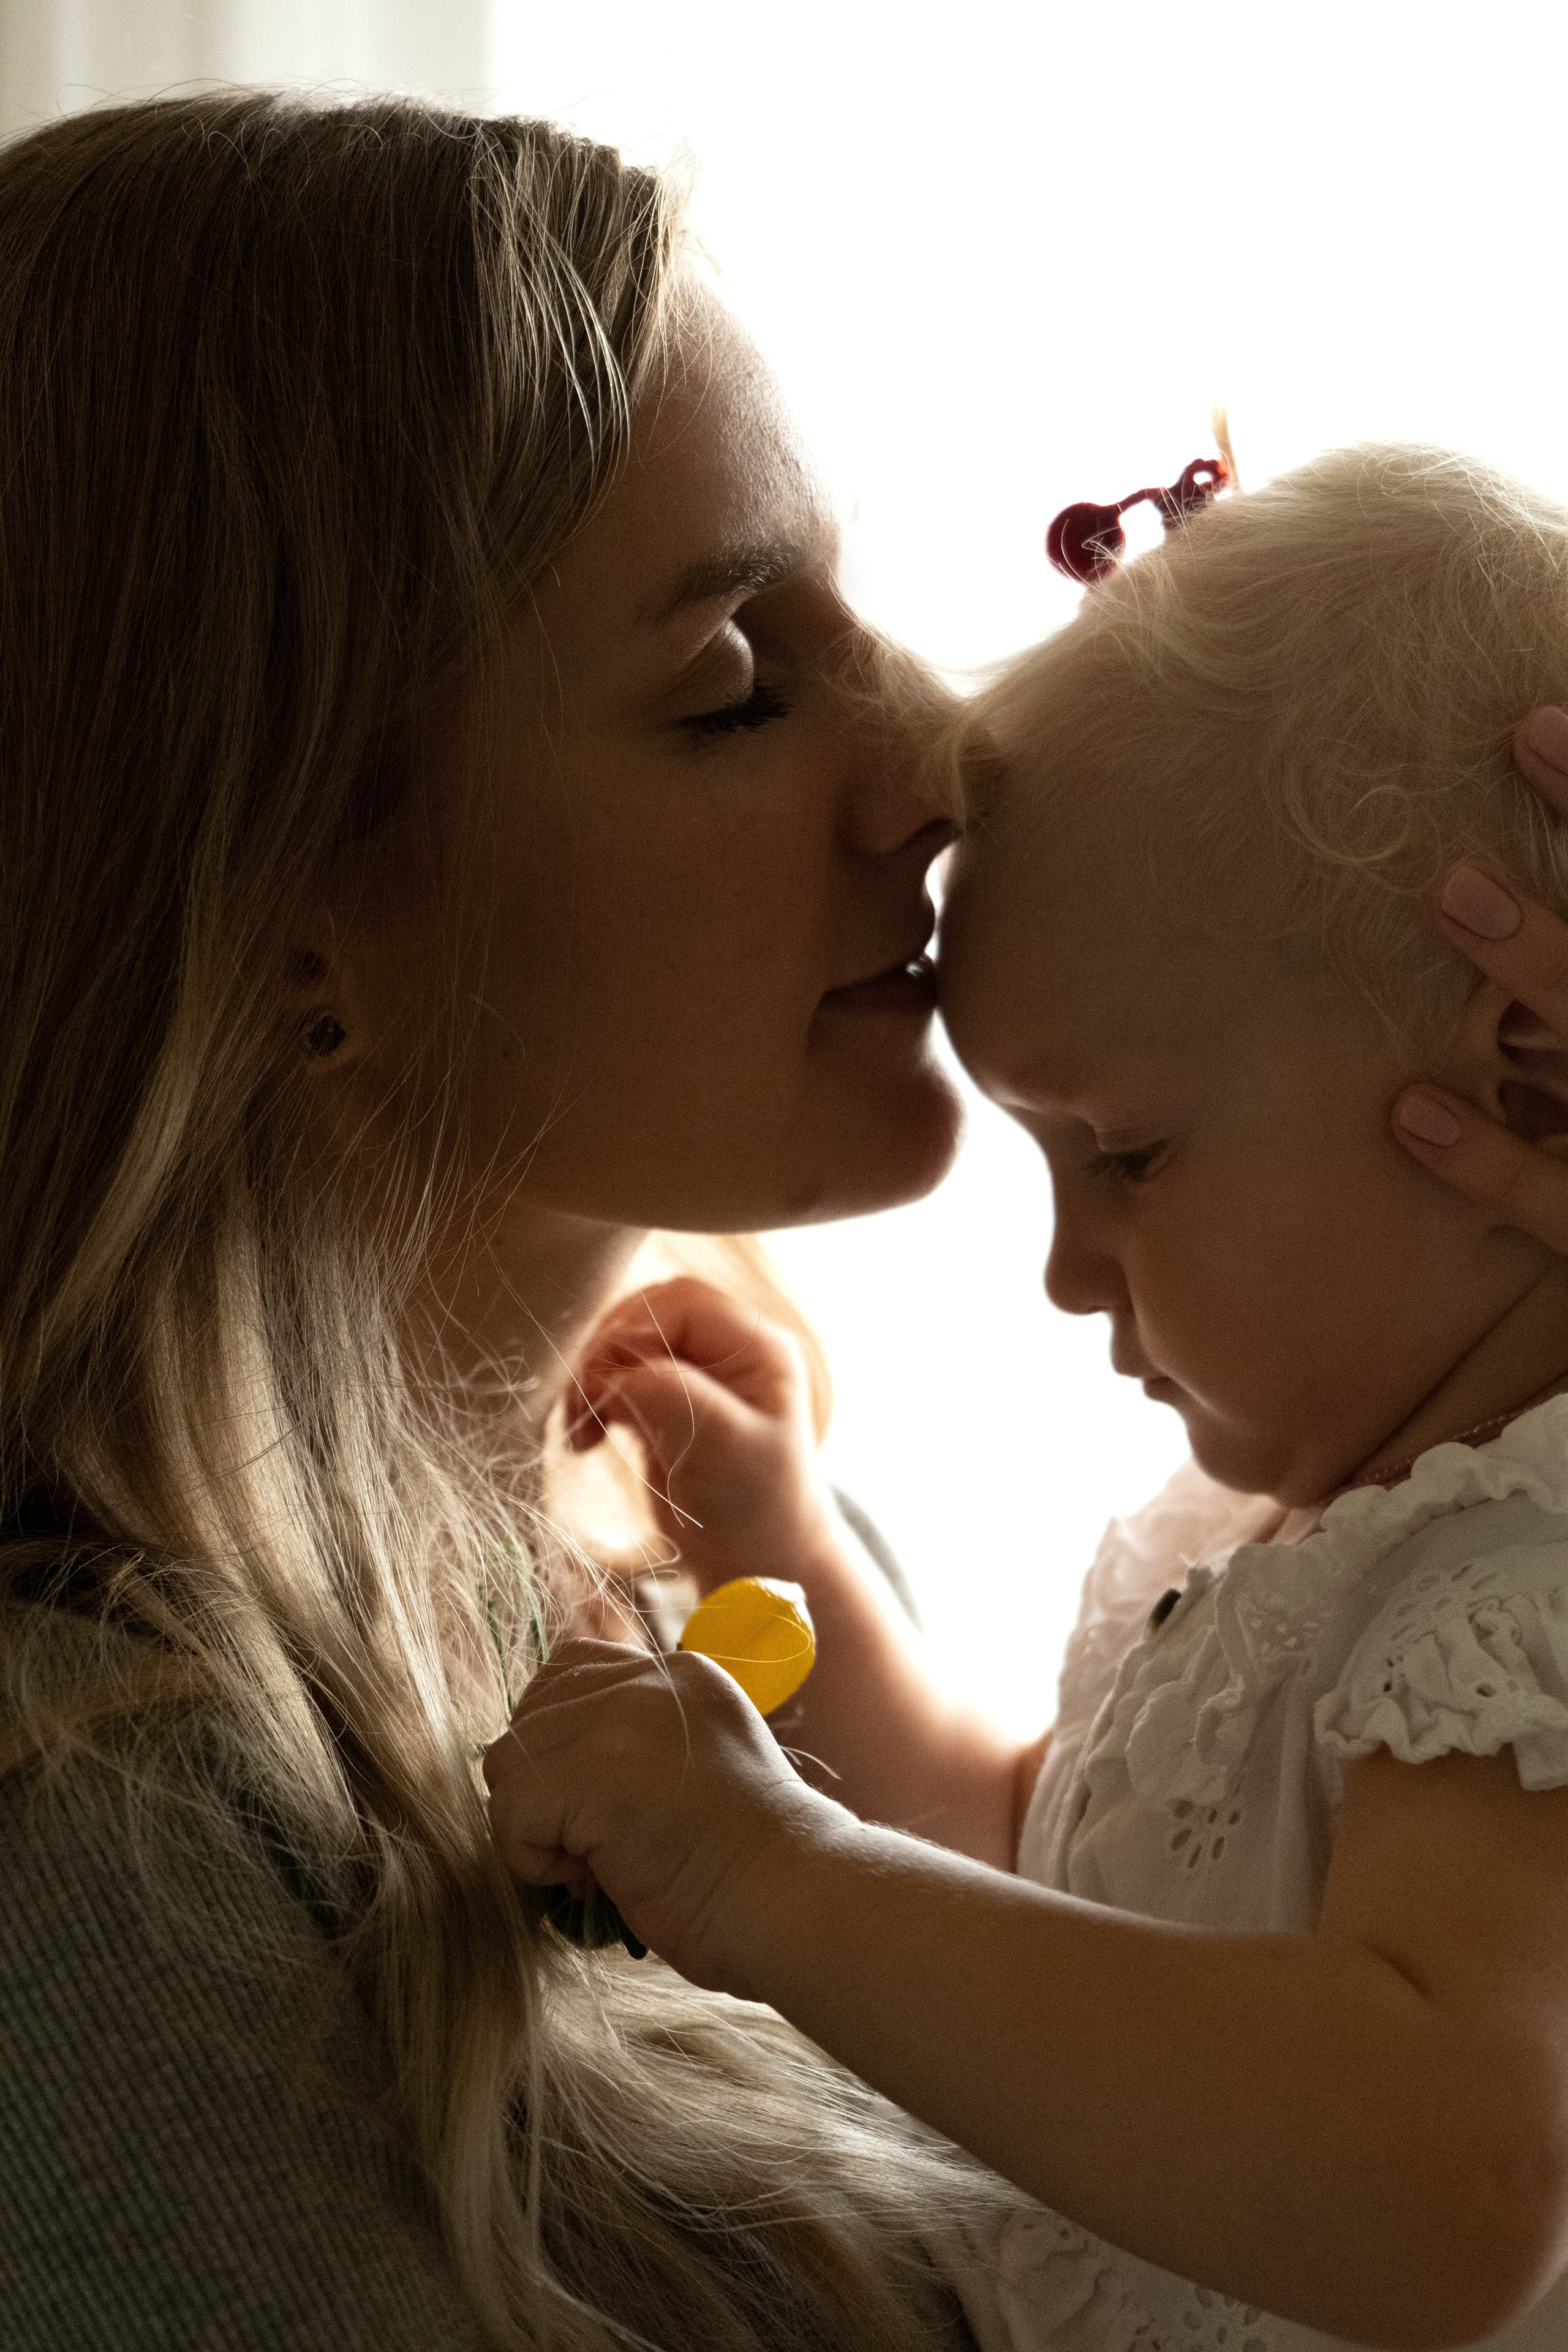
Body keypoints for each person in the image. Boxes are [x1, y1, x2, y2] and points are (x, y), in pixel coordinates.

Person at [0, 90, 998, 2352]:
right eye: (736, 685)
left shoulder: (752, 1583)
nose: (942, 759)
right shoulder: (87, 1848)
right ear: (284, 929)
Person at [484, 445, 1568, 2351]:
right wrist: (788, 1553)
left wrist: (769, 1868)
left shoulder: (1519, 1588)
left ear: (1517, 1070)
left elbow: (1450, 2189)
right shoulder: (1279, 1542)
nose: (1069, 1269)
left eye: (1128, 1155)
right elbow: (1040, 1871)